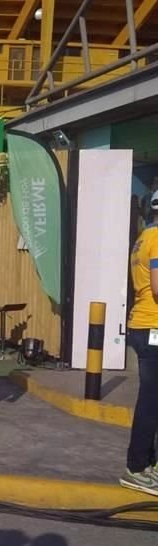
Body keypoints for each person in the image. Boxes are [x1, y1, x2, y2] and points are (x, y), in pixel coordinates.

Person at [121, 192, 158, 495]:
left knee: (152, 399)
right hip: (153, 326)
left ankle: (148, 462)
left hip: (143, 325)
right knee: (150, 401)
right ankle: (136, 467)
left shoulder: (143, 237)